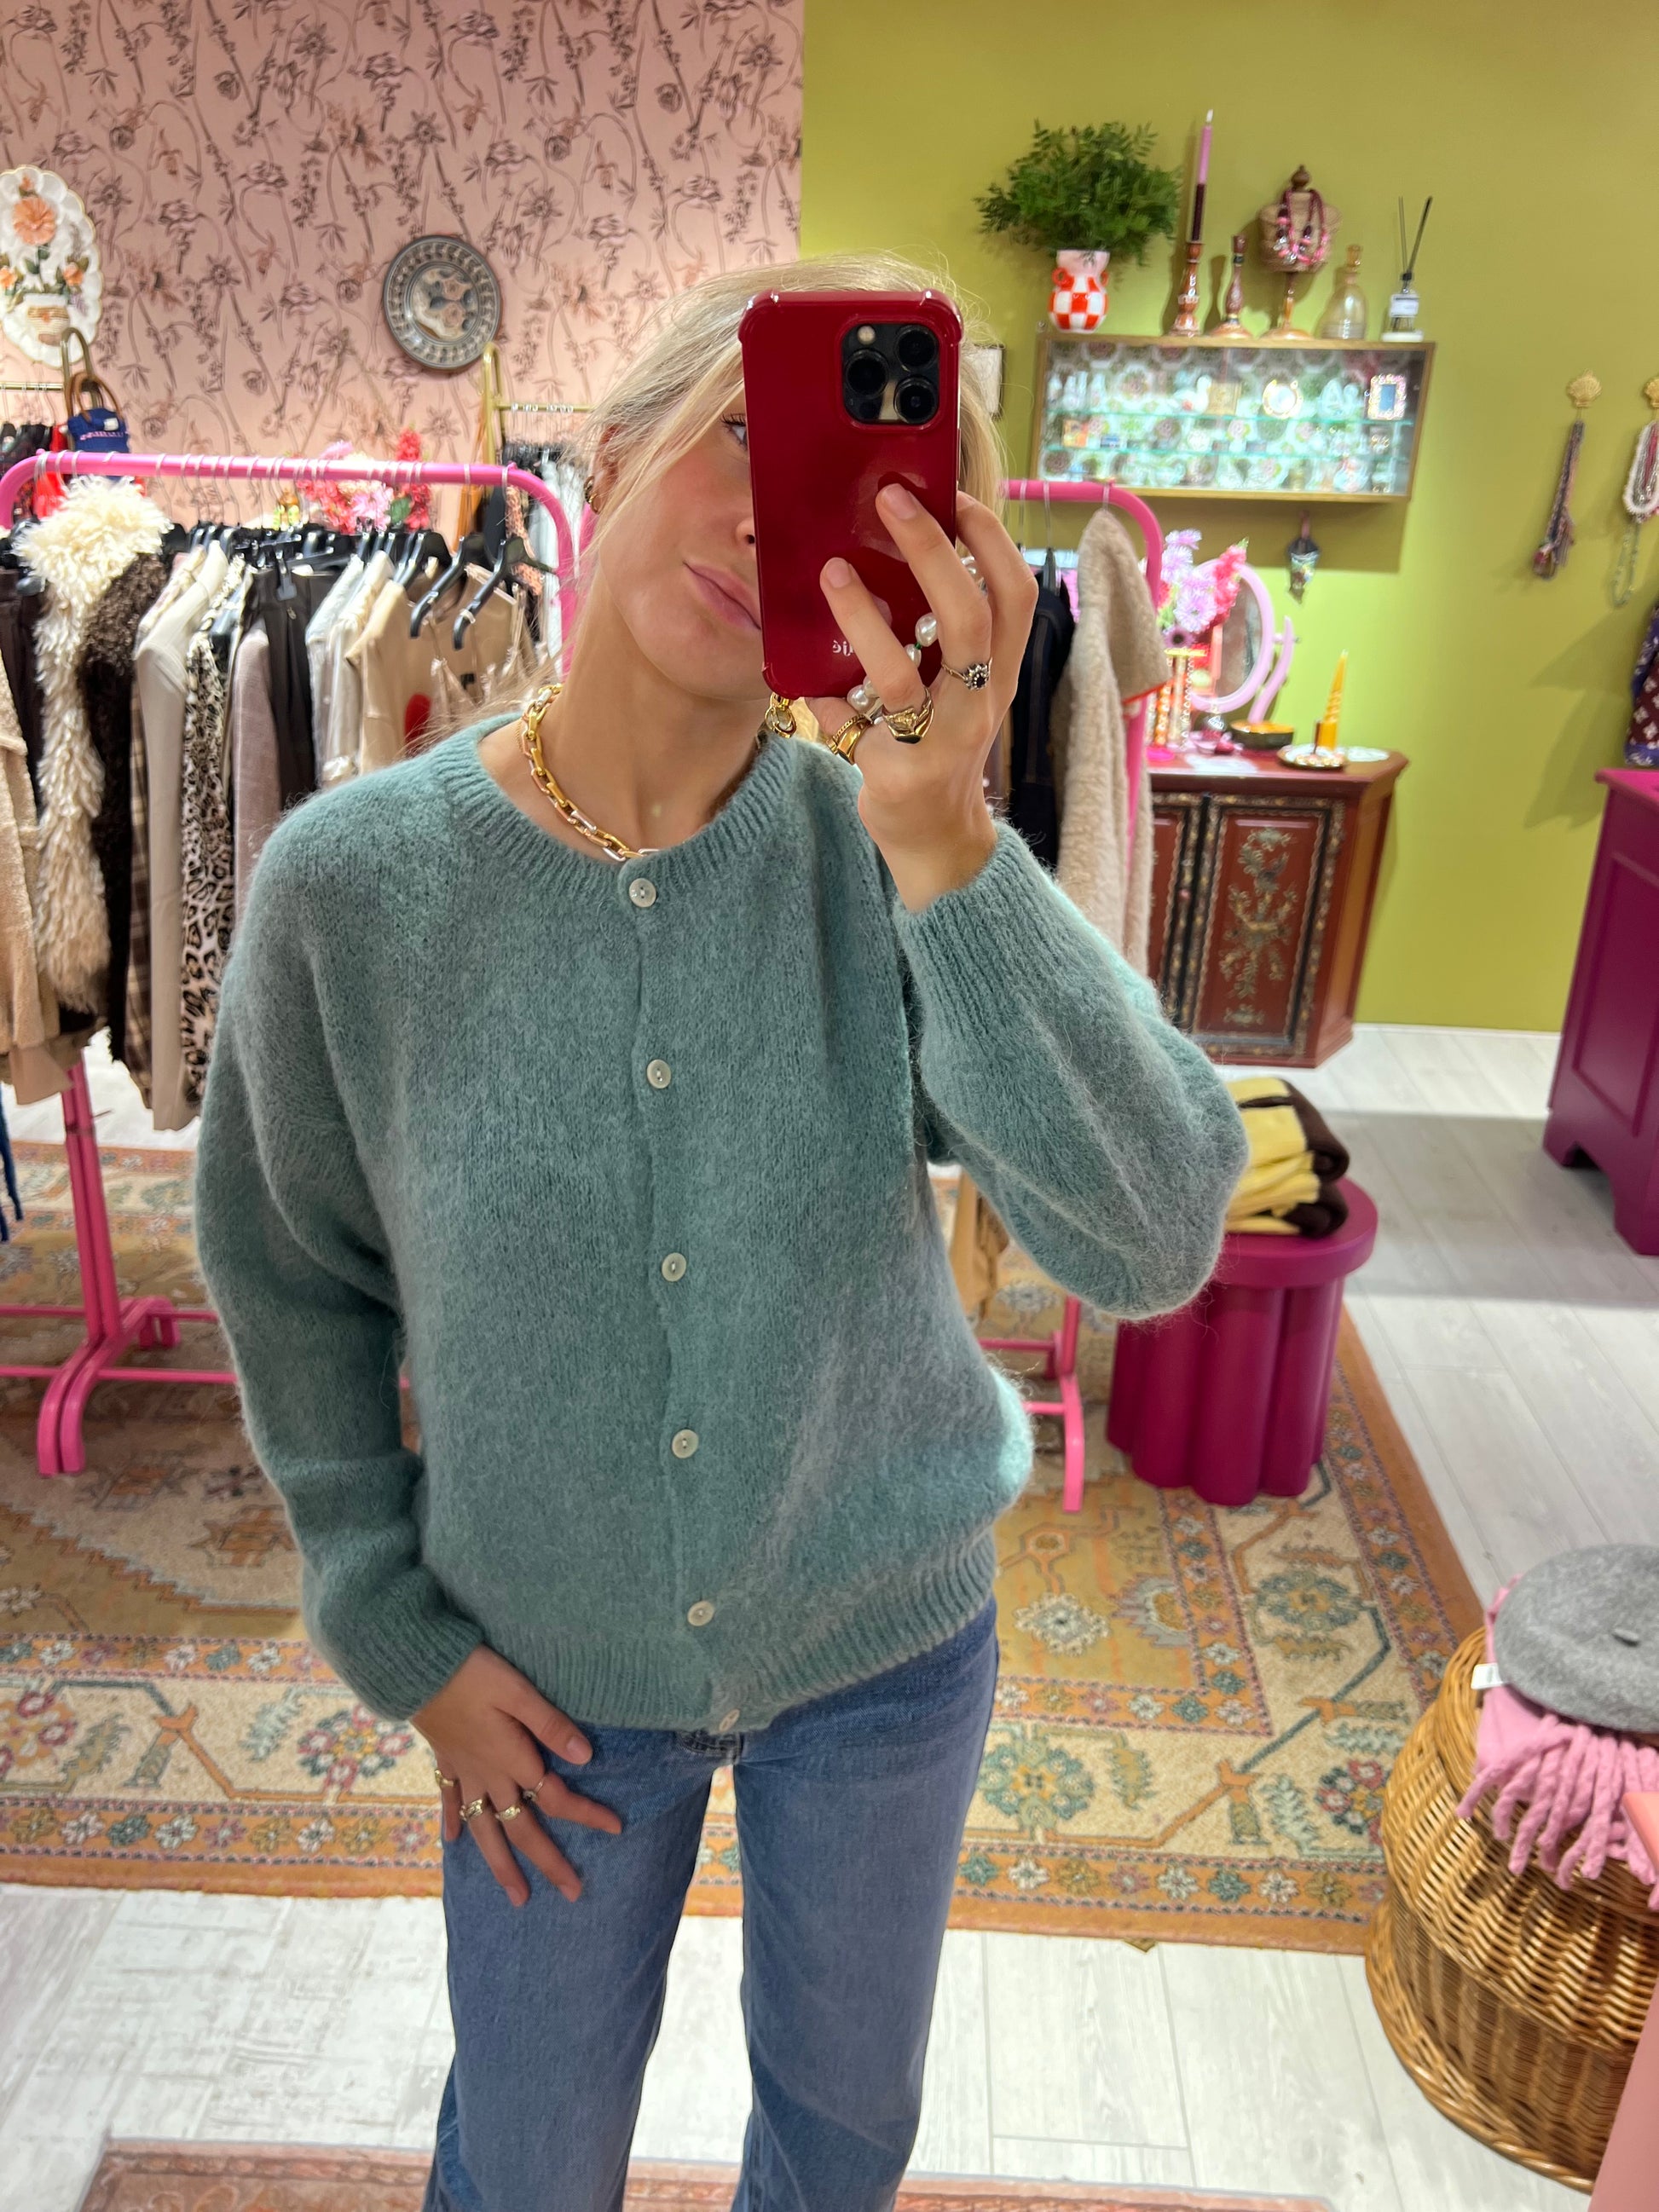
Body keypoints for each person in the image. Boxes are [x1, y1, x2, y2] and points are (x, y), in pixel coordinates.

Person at [194, 251, 1247, 2212]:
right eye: (730, 440)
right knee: (527, 2157)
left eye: (849, 493)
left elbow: (1154, 1227)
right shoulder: (355, 890)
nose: (770, 517)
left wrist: (946, 837)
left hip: (884, 1644)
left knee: (843, 2139)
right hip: (543, 1671)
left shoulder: (886, 856)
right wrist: (389, 1620)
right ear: (604, 460)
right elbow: (289, 1271)